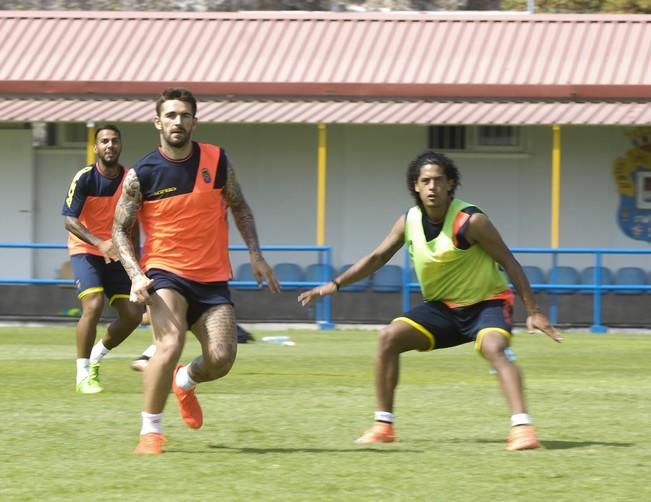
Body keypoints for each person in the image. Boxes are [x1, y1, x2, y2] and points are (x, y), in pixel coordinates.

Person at [298, 150, 562, 451]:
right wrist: (335, 284)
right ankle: (383, 426)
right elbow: (378, 256)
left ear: (451, 184)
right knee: (388, 337)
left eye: (439, 180)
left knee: (493, 347)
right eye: (426, 181)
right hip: (444, 309)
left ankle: (523, 428)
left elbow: (510, 262)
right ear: (416, 186)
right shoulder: (409, 220)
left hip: (486, 303)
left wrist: (534, 310)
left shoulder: (471, 221)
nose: (432, 186)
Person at [113, 87, 280, 455]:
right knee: (169, 344)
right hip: (166, 272)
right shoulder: (142, 173)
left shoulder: (217, 160)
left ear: (194, 121)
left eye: (184, 115)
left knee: (221, 359)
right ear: (158, 121)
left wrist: (256, 255)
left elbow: (241, 207)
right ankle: (150, 432)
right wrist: (137, 276)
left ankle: (185, 380)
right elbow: (118, 230)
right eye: (170, 115)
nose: (178, 121)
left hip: (212, 277)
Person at [62, 124, 144, 394]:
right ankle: (82, 374)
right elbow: (69, 220)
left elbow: (135, 224)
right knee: (93, 305)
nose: (110, 145)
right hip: (86, 250)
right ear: (96, 147)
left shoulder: (130, 179)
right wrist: (99, 243)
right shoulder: (85, 177)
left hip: (118, 253)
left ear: (120, 146)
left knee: (133, 315)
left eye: (115, 141)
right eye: (104, 141)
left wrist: (137, 266)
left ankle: (97, 356)